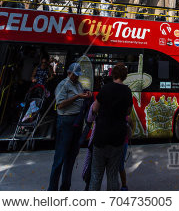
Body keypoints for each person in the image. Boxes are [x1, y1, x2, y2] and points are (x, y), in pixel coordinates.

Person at [48, 63, 92, 191]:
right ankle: (52, 189)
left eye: (77, 76)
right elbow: (60, 105)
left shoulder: (78, 85)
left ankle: (65, 188)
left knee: (71, 158)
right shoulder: (63, 85)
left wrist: (85, 95)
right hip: (65, 121)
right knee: (60, 158)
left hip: (76, 122)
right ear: (68, 73)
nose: (76, 78)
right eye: (74, 75)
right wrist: (77, 96)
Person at [89, 63, 133, 191]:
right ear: (125, 76)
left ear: (113, 74)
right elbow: (128, 112)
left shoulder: (105, 88)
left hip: (101, 135)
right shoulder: (127, 91)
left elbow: (95, 108)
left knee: (96, 175)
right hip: (118, 137)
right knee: (113, 175)